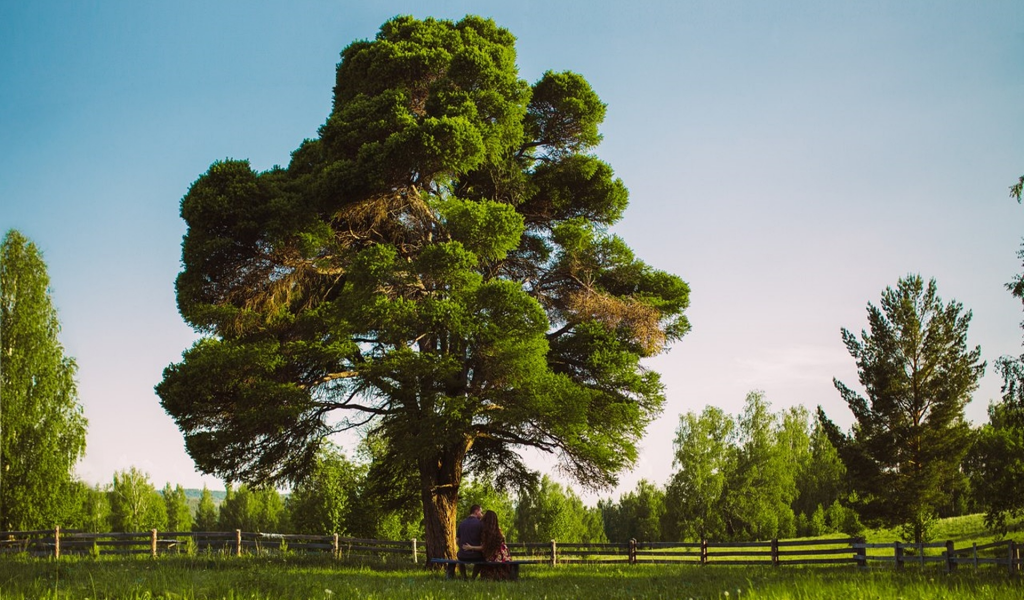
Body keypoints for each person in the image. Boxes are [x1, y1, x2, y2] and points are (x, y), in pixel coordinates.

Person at [461, 510, 512, 580]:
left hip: (494, 556)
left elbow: (484, 547)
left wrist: (471, 547)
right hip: (504, 556)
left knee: (482, 559)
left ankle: (470, 578)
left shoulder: (486, 531)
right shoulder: (497, 530)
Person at [451, 504, 484, 579]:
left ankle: (464, 576)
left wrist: (462, 547)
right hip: (476, 555)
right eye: (480, 512)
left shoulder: (462, 523)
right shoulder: (480, 524)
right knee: (483, 558)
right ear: (476, 511)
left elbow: (456, 540)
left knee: (459, 558)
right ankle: (473, 577)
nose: (481, 514)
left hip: (462, 555)